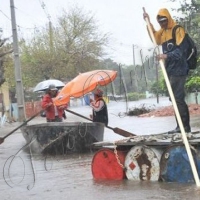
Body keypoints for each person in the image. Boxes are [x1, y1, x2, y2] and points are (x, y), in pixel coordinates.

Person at [143, 8, 191, 133]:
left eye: (164, 21)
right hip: (170, 69)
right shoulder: (163, 32)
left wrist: (166, 56)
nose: (162, 24)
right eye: (160, 22)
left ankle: (184, 127)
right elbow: (155, 38)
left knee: (178, 98)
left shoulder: (177, 29)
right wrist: (148, 22)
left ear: (168, 19)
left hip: (179, 68)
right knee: (173, 98)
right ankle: (179, 126)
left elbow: (182, 51)